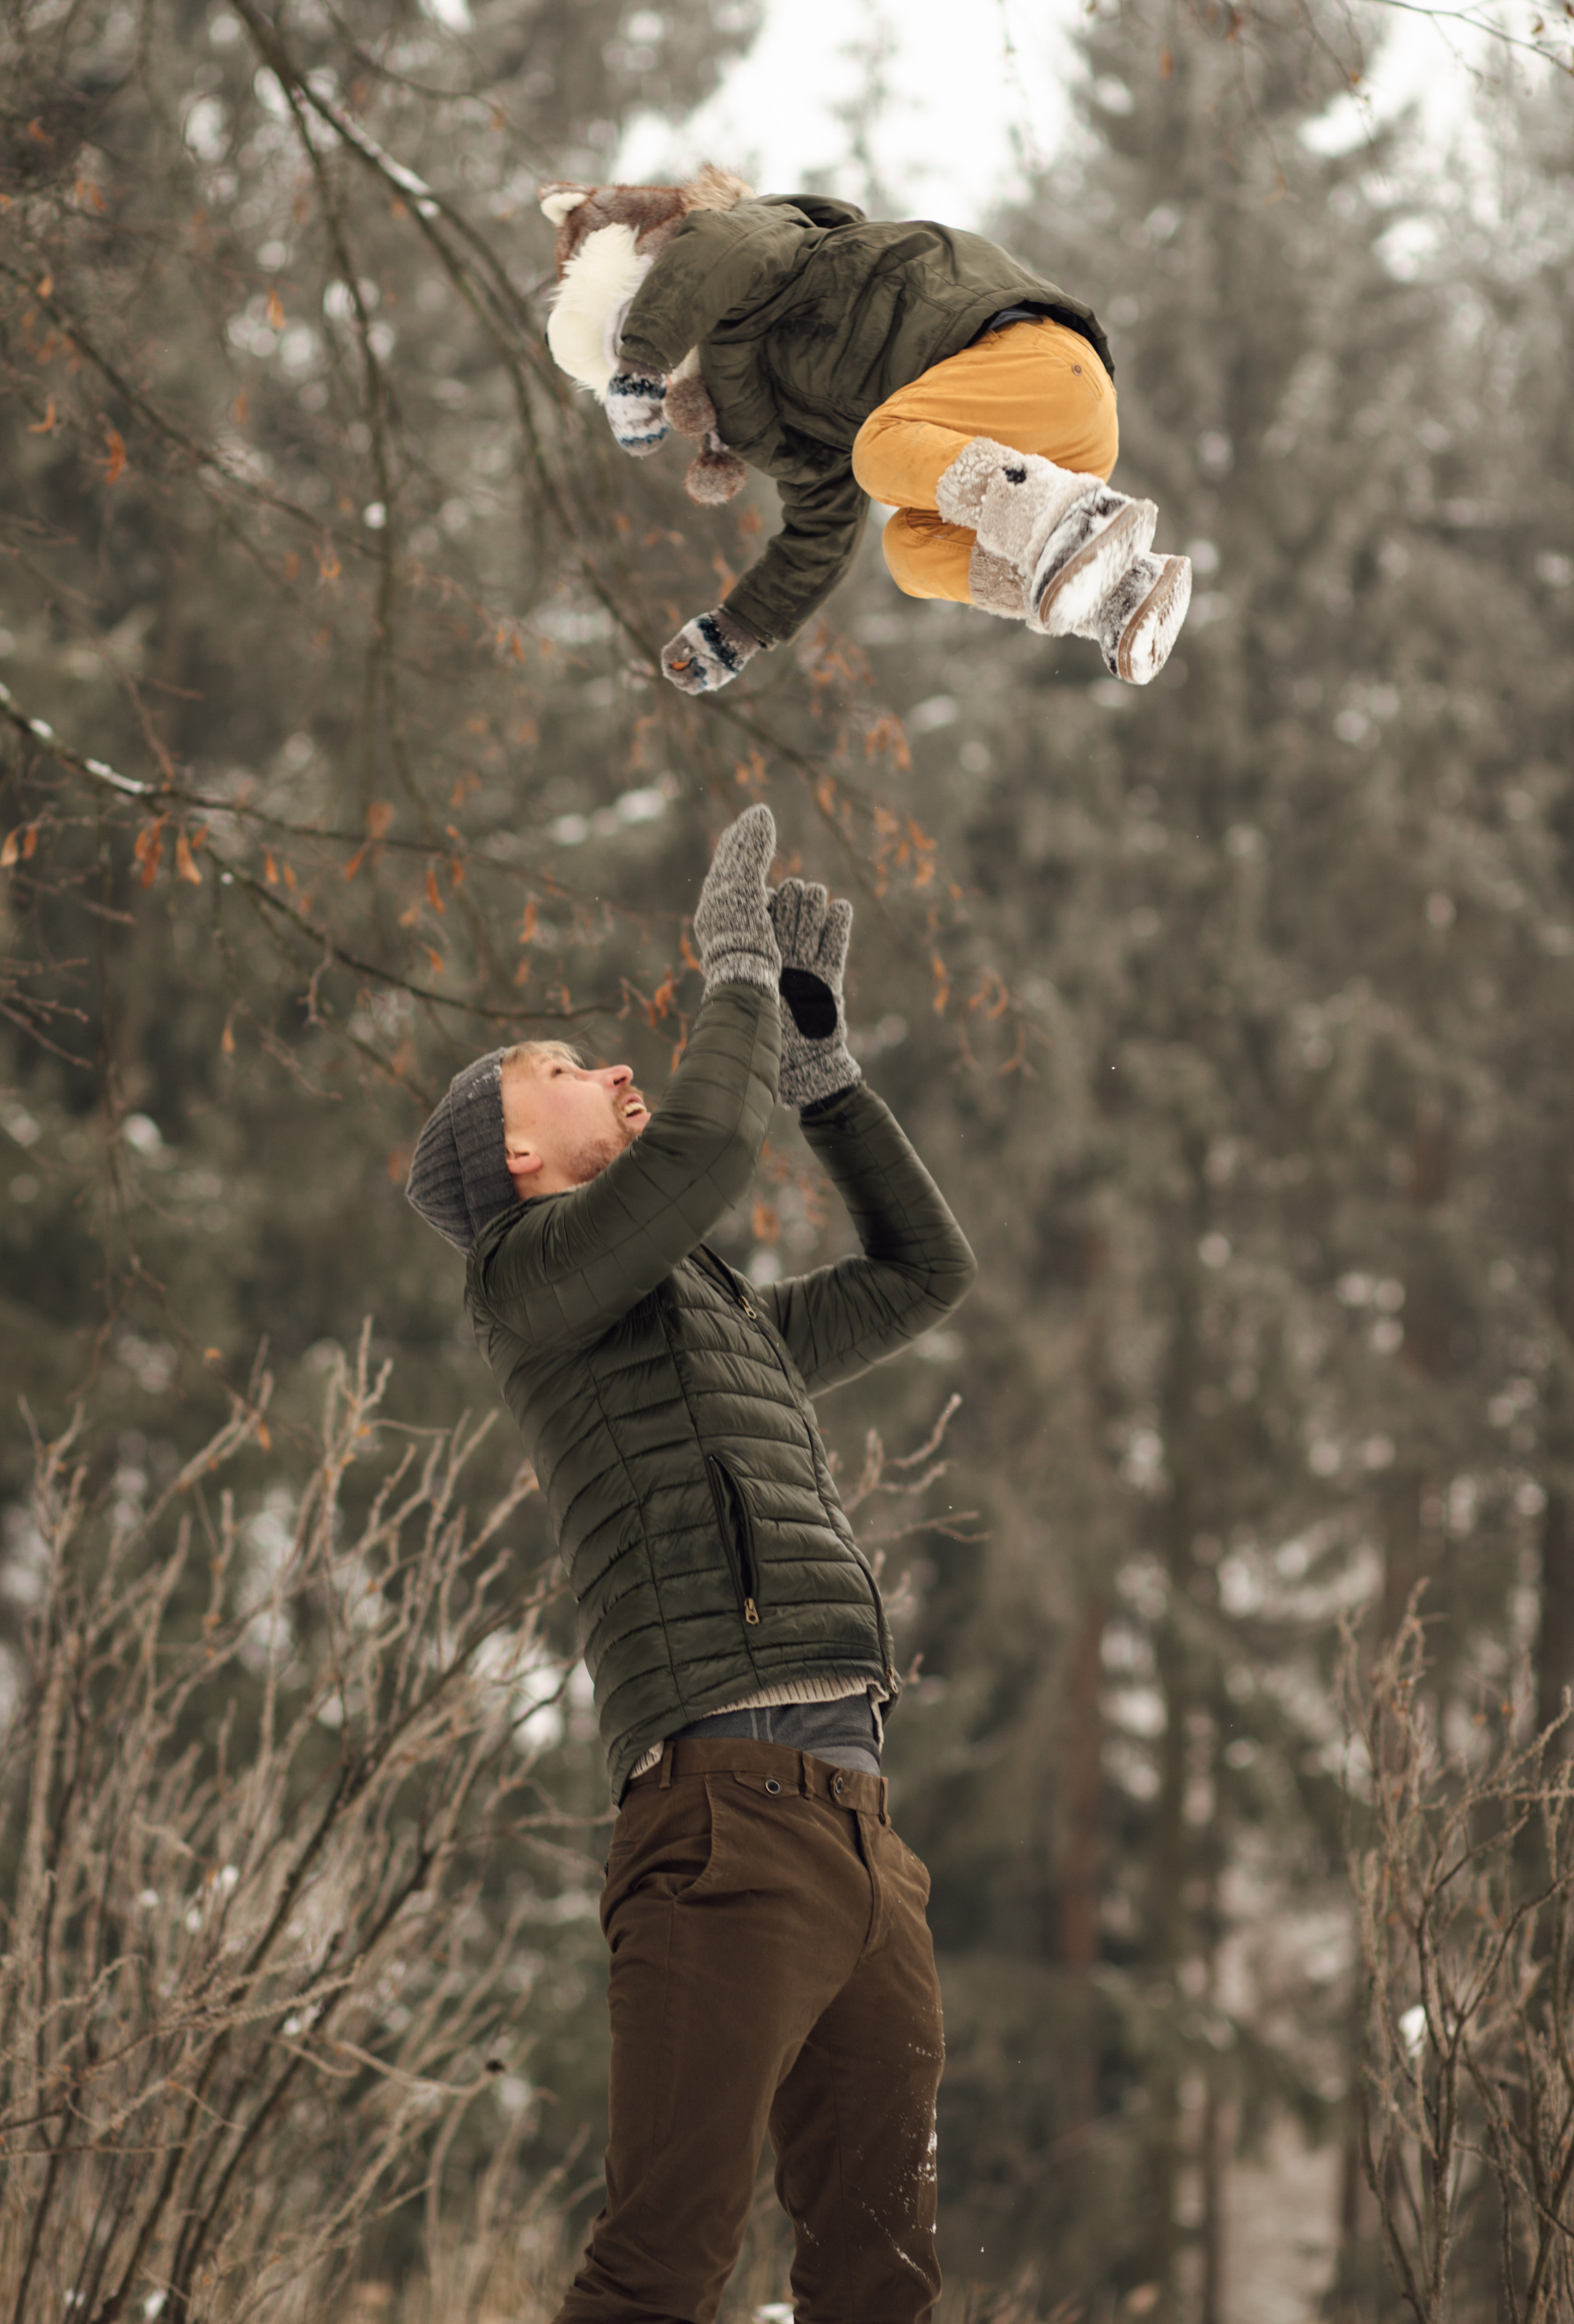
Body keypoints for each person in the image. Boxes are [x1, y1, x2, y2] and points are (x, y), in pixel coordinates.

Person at [405, 805, 976, 2324]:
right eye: (560, 1069)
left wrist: (822, 1070)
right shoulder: (523, 1284)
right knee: (662, 2270)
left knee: (882, 2282)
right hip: (721, 1821)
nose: (608, 1067)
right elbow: (712, 1149)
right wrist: (731, 965)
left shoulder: (714, 1324)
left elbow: (928, 1272)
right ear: (516, 1155)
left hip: (861, 1832)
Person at [536, 165, 1192, 696]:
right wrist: (738, 627)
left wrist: (643, 355)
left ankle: (1065, 521)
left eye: (628, 323)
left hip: (1035, 365)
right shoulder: (755, 414)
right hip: (1053, 452)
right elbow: (821, 528)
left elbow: (718, 255)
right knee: (910, 552)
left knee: (877, 453)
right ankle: (1113, 591)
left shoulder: (757, 243)